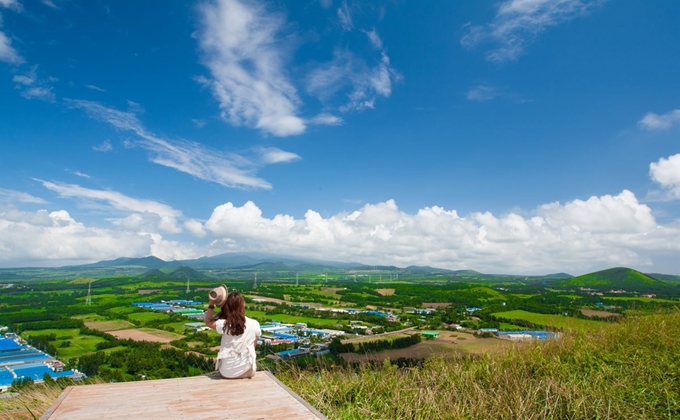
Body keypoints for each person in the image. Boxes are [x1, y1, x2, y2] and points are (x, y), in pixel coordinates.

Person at [205, 291, 261, 379]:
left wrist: (211, 304)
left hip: (227, 372)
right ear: (242, 306)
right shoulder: (255, 324)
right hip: (249, 371)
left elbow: (208, 321)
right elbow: (253, 346)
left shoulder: (224, 324)